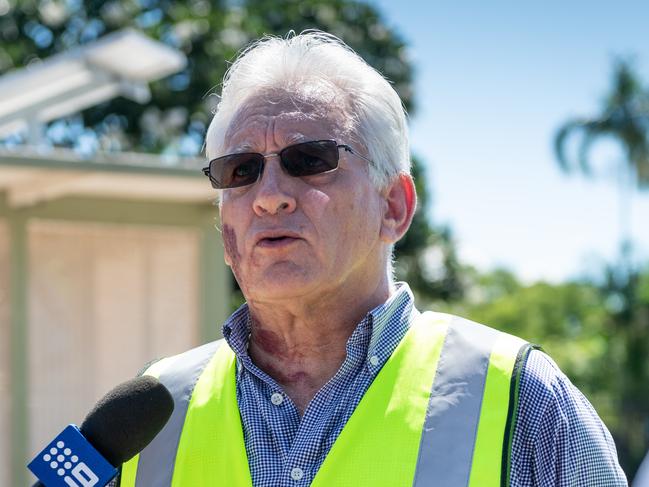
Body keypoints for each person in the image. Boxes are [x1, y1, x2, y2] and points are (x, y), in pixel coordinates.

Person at [119, 31, 627, 486]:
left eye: (310, 160)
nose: (269, 196)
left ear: (394, 206)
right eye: (241, 170)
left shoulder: (522, 398)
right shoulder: (146, 416)